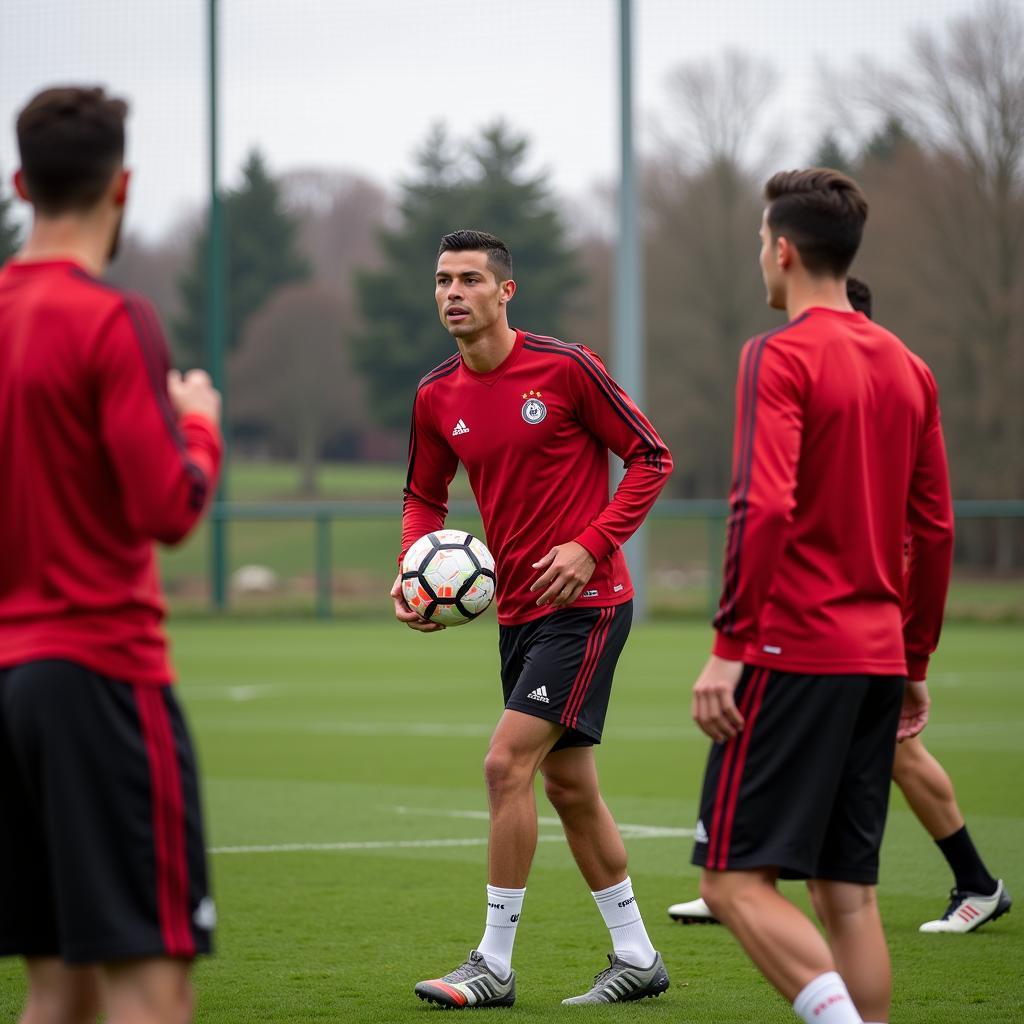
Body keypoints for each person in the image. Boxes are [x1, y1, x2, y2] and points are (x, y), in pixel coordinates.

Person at [688, 169, 955, 1024]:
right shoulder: (910, 367)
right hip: (879, 658)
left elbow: (763, 505)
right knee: (849, 895)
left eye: (760, 244)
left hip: (793, 651)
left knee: (732, 881)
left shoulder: (778, 354)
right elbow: (937, 531)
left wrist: (728, 648)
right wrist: (914, 660)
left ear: (783, 249)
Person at [668, 279, 1010, 935]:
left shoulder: (832, 374)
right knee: (876, 811)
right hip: (876, 632)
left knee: (896, 759)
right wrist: (913, 657)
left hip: (837, 625)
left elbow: (923, 529)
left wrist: (916, 648)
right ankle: (971, 881)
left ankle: (970, 880)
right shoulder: (903, 377)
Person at [391, 229, 673, 1008]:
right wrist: (414, 569)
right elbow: (424, 495)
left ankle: (493, 963)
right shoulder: (435, 395)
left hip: (586, 606)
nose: (453, 292)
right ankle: (638, 957)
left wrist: (590, 545)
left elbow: (651, 457)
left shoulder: (567, 367)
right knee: (570, 787)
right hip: (517, 613)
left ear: (505, 291)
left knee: (503, 765)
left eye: (470, 280)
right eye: (443, 279)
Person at [0, 87, 222, 1024]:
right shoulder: (110, 318)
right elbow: (168, 507)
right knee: (149, 981)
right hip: (100, 678)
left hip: (6, 684)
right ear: (122, 185)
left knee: (58, 983)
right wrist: (201, 427)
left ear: (20, 183)